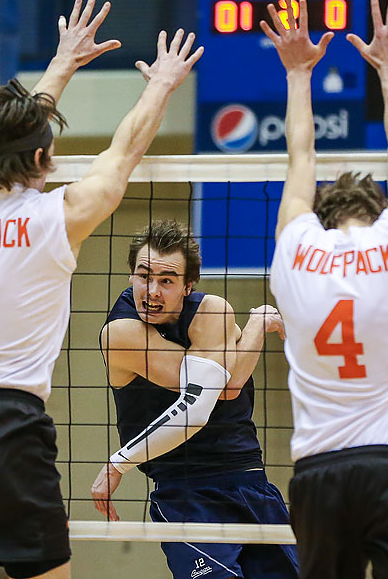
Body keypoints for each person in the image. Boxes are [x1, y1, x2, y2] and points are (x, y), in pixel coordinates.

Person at [0, 0, 206, 579]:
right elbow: (124, 151)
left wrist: (62, 63)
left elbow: (5, 140)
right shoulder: (58, 216)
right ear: (43, 154)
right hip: (6, 425)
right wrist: (162, 84)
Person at [261, 0, 388, 579]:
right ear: (378, 208)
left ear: (319, 214)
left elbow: (300, 156)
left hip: (318, 475)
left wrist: (297, 74)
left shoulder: (295, 247)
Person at [89, 219, 298, 579]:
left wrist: (251, 328)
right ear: (131, 276)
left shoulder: (212, 311)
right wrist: (256, 327)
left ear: (188, 286)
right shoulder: (121, 333)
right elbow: (205, 398)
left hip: (249, 477)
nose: (152, 291)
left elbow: (227, 386)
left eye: (166, 281)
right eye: (143, 276)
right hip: (187, 491)